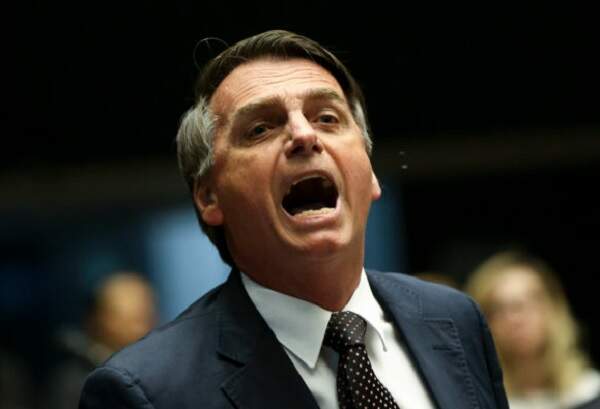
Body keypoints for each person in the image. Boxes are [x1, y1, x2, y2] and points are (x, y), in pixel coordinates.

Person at [80, 30, 509, 409]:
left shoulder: (455, 319)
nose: (304, 134)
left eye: (327, 118)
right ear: (209, 196)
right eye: (260, 129)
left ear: (371, 175)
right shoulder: (145, 392)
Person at [465, 251, 600, 409]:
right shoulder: (475, 400)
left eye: (527, 303)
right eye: (499, 308)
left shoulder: (590, 391)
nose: (515, 319)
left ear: (554, 308)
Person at [47, 272, 157, 409]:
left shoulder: (161, 367)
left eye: (146, 317)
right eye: (131, 320)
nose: (139, 329)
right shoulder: (74, 381)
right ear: (96, 319)